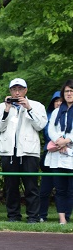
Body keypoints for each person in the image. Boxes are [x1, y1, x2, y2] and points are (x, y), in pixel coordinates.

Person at [0, 78, 47, 223]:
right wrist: (6, 109)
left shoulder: (37, 105)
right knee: (11, 186)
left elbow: (41, 125)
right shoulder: (1, 107)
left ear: (26, 90)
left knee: (31, 186)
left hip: (29, 151)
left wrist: (28, 108)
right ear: (10, 91)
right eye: (14, 89)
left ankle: (33, 216)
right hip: (8, 151)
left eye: (20, 89)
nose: (17, 93)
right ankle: (13, 216)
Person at [44, 79, 73, 224]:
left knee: (71, 190)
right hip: (57, 153)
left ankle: (68, 215)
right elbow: (51, 129)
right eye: (67, 91)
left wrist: (66, 141)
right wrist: (59, 141)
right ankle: (62, 219)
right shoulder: (57, 111)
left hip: (71, 152)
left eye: (71, 91)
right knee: (60, 189)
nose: (69, 94)